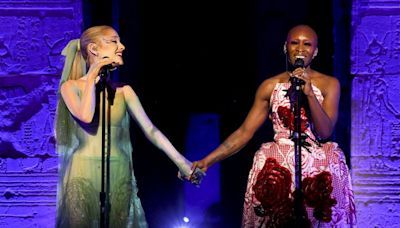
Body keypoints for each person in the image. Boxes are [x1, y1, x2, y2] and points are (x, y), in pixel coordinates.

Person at [192, 24, 356, 227]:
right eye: (294, 43)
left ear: (316, 51)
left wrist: (310, 94)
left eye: (307, 44)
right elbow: (244, 132)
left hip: (318, 171)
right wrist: (208, 160)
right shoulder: (270, 86)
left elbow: (325, 130)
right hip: (279, 170)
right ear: (285, 48)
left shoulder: (329, 84)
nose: (300, 49)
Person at [54, 25, 203, 228]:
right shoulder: (70, 87)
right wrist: (93, 74)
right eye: (114, 41)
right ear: (94, 49)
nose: (121, 46)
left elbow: (151, 130)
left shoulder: (125, 91)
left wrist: (181, 162)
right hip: (82, 172)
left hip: (119, 171)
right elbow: (86, 116)